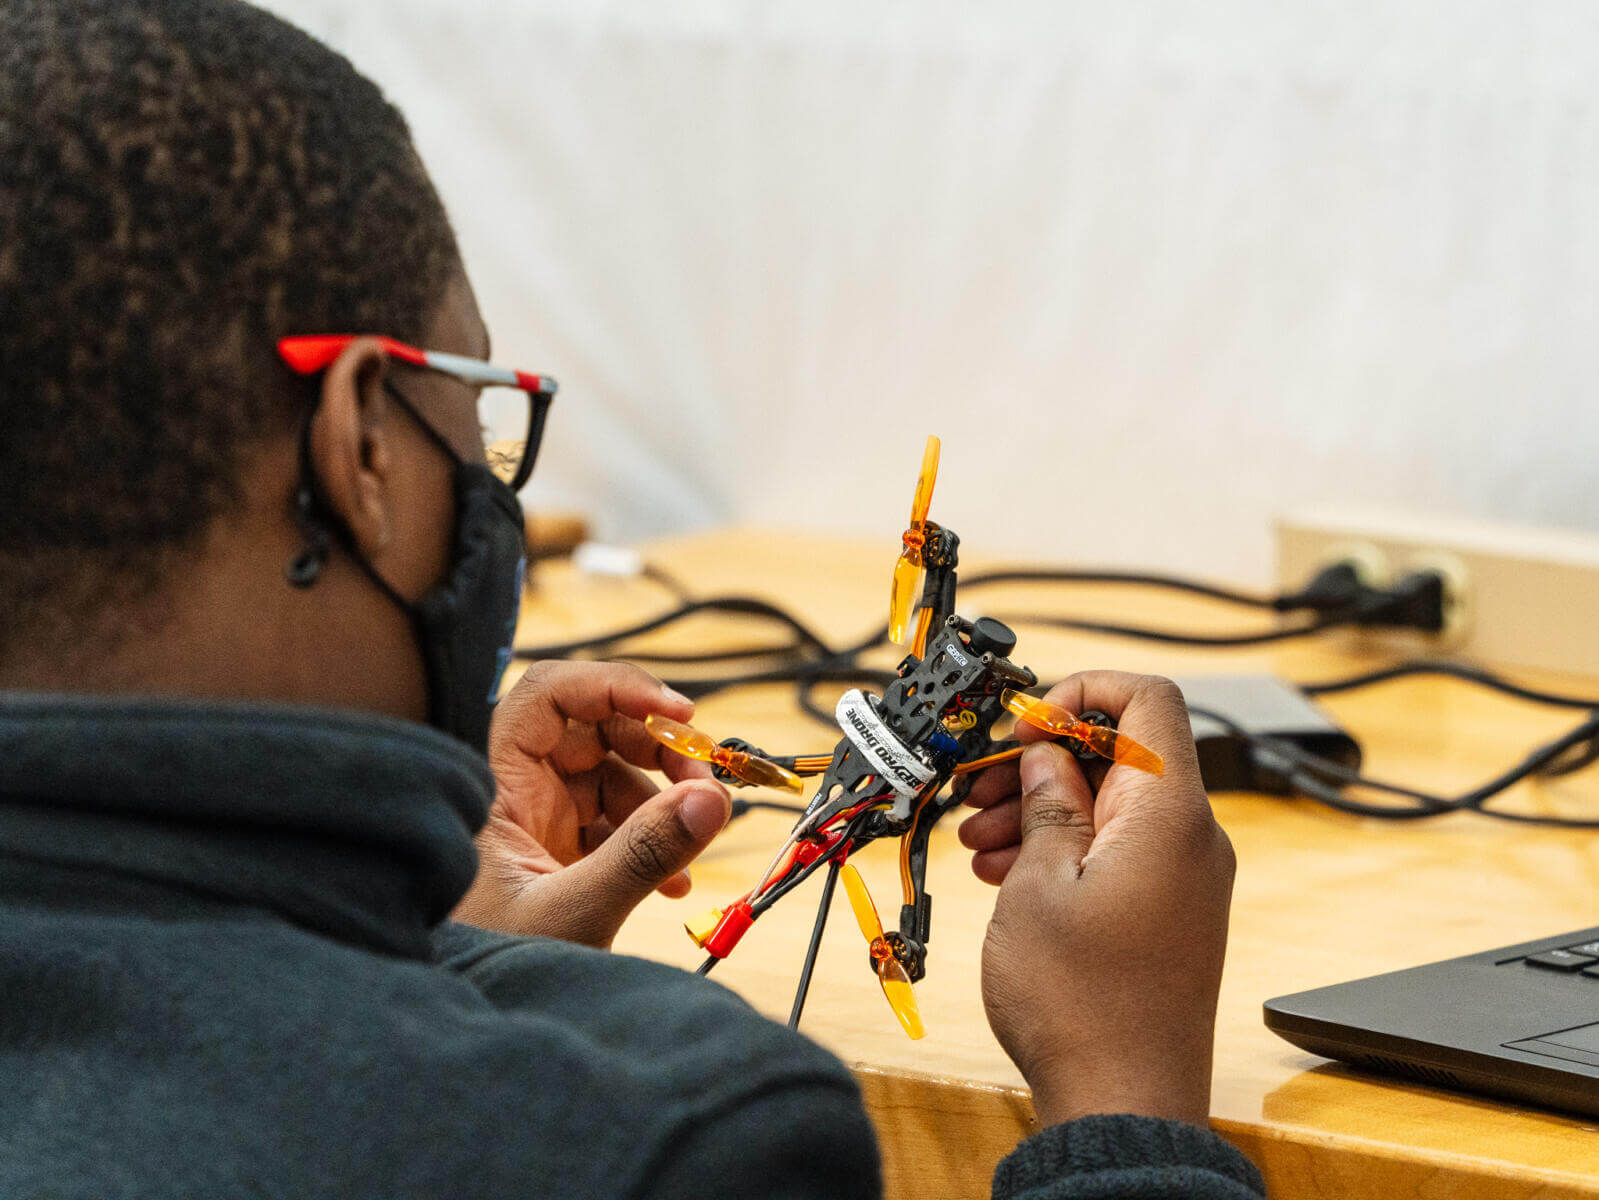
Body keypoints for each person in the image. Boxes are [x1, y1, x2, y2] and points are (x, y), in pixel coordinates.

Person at [0, 1, 1264, 1197]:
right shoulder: (667, 1131)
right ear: (363, 451)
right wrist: (1125, 1094)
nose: (495, 483)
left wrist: (467, 962)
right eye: (483, 420)